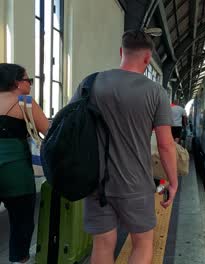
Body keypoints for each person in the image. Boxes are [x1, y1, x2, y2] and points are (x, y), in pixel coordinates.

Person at [71, 30, 178, 264]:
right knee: (142, 243)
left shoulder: (90, 83)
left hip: (95, 182)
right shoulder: (156, 92)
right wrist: (173, 181)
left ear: (121, 52)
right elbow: (165, 144)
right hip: (136, 184)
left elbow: (69, 126)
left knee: (103, 244)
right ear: (148, 58)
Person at [0, 63, 49, 263]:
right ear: (16, 83)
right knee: (21, 223)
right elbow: (49, 132)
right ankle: (17, 259)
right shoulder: (24, 102)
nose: (30, 84)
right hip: (16, 173)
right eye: (28, 80)